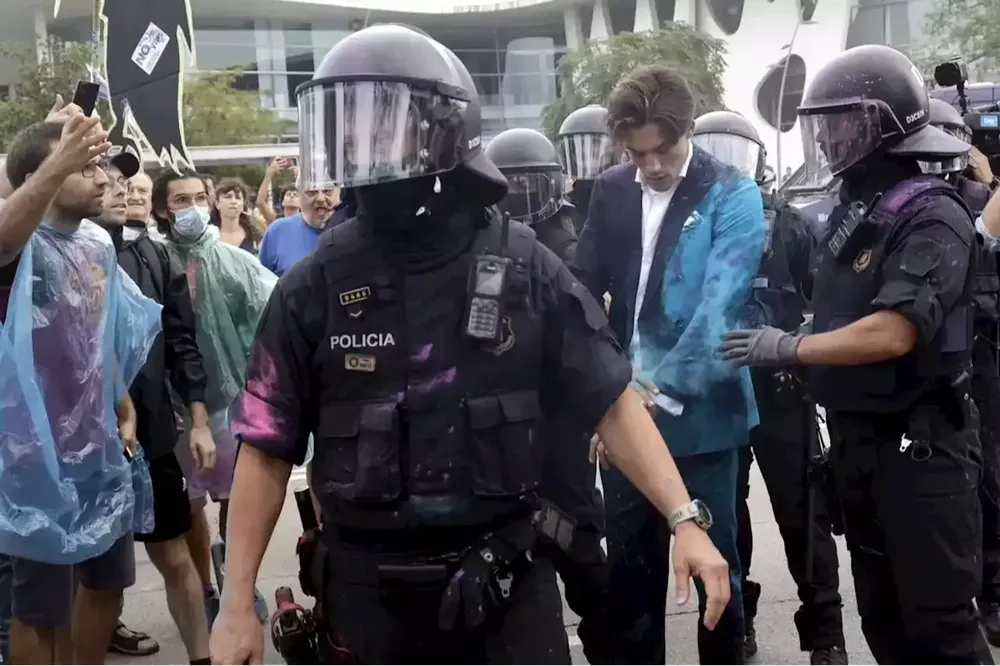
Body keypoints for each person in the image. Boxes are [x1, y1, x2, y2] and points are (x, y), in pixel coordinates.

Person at [209, 24, 730, 666]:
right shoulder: (313, 285)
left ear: (443, 128)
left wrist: (685, 519)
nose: (355, 140)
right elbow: (264, 447)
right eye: (344, 123)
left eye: (378, 120)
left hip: (503, 580)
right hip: (368, 594)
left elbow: (609, 398)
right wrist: (236, 603)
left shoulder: (524, 266)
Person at [719, 44, 995, 666]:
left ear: (882, 122)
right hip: (858, 445)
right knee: (883, 619)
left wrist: (791, 345)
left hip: (922, 453)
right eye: (826, 123)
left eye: (843, 120)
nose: (832, 136)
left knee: (941, 629)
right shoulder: (855, 209)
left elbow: (896, 331)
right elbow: (840, 306)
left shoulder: (932, 211)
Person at [575, 66, 765, 665]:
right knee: (630, 585)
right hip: (623, 414)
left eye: (664, 149)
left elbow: (719, 312)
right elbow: (582, 292)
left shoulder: (733, 194)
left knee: (716, 581)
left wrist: (643, 399)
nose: (651, 165)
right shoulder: (611, 189)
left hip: (703, 418)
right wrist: (597, 389)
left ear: (687, 132)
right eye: (638, 153)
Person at [0, 112, 161, 666]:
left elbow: (99, 334)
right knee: (40, 610)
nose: (103, 178)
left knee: (107, 586)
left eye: (100, 165)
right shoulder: (20, 248)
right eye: (86, 165)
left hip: (96, 445)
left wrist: (121, 402)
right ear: (45, 172)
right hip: (31, 458)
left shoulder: (97, 244)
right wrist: (56, 157)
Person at [693, 110, 848, 665]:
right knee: (722, 518)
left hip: (782, 391)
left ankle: (826, 634)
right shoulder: (687, 225)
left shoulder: (790, 226)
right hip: (717, 397)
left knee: (804, 514)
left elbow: (828, 307)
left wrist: (791, 345)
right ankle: (736, 623)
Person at [485, 127, 614, 664]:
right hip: (500, 435)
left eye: (528, 187)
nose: (518, 199)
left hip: (561, 429)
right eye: (507, 187)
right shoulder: (479, 248)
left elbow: (597, 346)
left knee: (581, 552)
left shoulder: (568, 246)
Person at [94, 153, 218, 666]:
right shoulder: (60, 251)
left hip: (153, 435)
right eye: (109, 180)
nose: (122, 189)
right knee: (99, 577)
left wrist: (200, 419)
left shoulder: (156, 254)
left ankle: (204, 658)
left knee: (173, 552)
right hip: (87, 442)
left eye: (130, 182)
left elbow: (182, 342)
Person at [152, 170, 277, 622]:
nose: (193, 207)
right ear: (165, 210)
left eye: (199, 197)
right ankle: (203, 586)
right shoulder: (153, 261)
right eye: (181, 200)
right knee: (188, 503)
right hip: (173, 404)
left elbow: (273, 313)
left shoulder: (234, 260)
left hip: (229, 402)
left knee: (234, 496)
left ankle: (235, 583)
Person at [918, 98, 1000, 646]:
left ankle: (991, 592)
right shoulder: (911, 207)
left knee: (989, 479)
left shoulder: (982, 203)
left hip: (983, 358)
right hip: (937, 371)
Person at [257, 180, 337, 276]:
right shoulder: (277, 230)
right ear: (301, 194)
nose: (320, 198)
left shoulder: (353, 232)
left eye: (327, 191)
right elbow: (262, 282)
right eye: (311, 191)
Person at [557, 104, 613, 232]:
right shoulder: (565, 194)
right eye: (580, 148)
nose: (587, 154)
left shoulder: (623, 192)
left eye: (596, 146)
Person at [211, 178, 264, 254]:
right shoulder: (209, 237)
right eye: (228, 197)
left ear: (243, 204)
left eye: (238, 197)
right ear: (217, 204)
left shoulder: (255, 237)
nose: (233, 201)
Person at [255, 157, 300, 224]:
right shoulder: (276, 221)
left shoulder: (307, 220)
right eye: (288, 194)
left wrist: (301, 176)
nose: (292, 196)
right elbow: (260, 202)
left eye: (295, 195)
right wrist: (269, 175)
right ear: (282, 202)